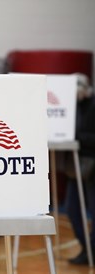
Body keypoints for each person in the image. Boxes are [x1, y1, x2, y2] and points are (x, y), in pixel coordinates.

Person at [65, 73, 95, 265]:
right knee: (71, 209)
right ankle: (87, 249)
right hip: (77, 166)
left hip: (92, 165)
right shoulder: (71, 108)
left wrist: (77, 137)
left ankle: (91, 251)